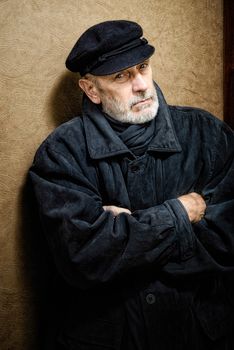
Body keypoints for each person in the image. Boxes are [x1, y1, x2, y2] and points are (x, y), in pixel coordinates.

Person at [30, 20, 234, 350]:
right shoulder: (61, 153)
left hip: (200, 333)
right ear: (91, 90)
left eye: (143, 67)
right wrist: (179, 214)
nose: (140, 84)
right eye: (121, 76)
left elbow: (227, 239)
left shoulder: (206, 134)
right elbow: (83, 259)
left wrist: (125, 236)